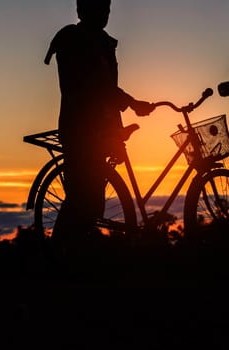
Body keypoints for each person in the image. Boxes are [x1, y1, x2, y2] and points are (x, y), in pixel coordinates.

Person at [44, 0, 154, 257]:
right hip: (80, 129)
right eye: (98, 9)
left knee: (92, 203)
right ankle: (56, 254)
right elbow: (95, 86)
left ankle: (73, 255)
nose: (104, 14)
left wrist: (119, 119)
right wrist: (131, 102)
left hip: (101, 129)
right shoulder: (75, 40)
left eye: (106, 9)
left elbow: (104, 87)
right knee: (82, 197)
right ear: (82, 11)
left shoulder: (103, 42)